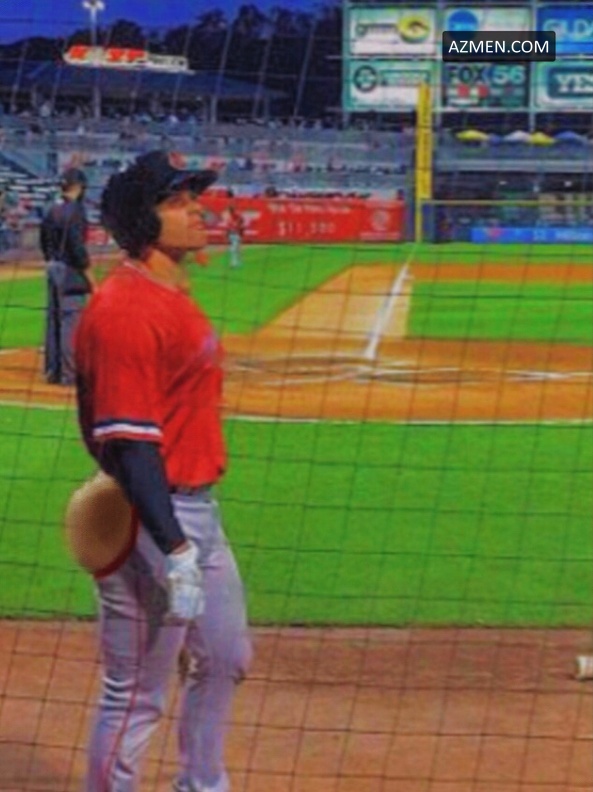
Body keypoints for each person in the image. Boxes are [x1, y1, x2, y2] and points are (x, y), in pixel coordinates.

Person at [74, 150, 252, 792]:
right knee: (137, 691)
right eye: (177, 202)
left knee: (226, 656)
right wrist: (173, 549)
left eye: (193, 197)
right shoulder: (126, 308)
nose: (197, 209)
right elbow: (130, 445)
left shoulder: (171, 295)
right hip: (151, 516)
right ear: (141, 221)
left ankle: (201, 784)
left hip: (197, 509)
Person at [40, 166, 93, 385]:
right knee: (71, 321)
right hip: (70, 269)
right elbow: (76, 246)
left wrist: (50, 259)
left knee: (53, 320)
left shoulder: (51, 208)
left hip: (52, 266)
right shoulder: (76, 210)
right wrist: (89, 274)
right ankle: (69, 374)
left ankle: (53, 371)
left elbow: (43, 239)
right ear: (78, 187)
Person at [223, 196, 244, 268]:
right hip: (232, 235)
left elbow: (241, 224)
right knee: (236, 249)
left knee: (234, 249)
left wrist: (240, 233)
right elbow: (228, 228)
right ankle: (238, 263)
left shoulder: (237, 218)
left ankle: (234, 263)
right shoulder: (230, 219)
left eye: (230, 210)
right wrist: (226, 235)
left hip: (236, 235)